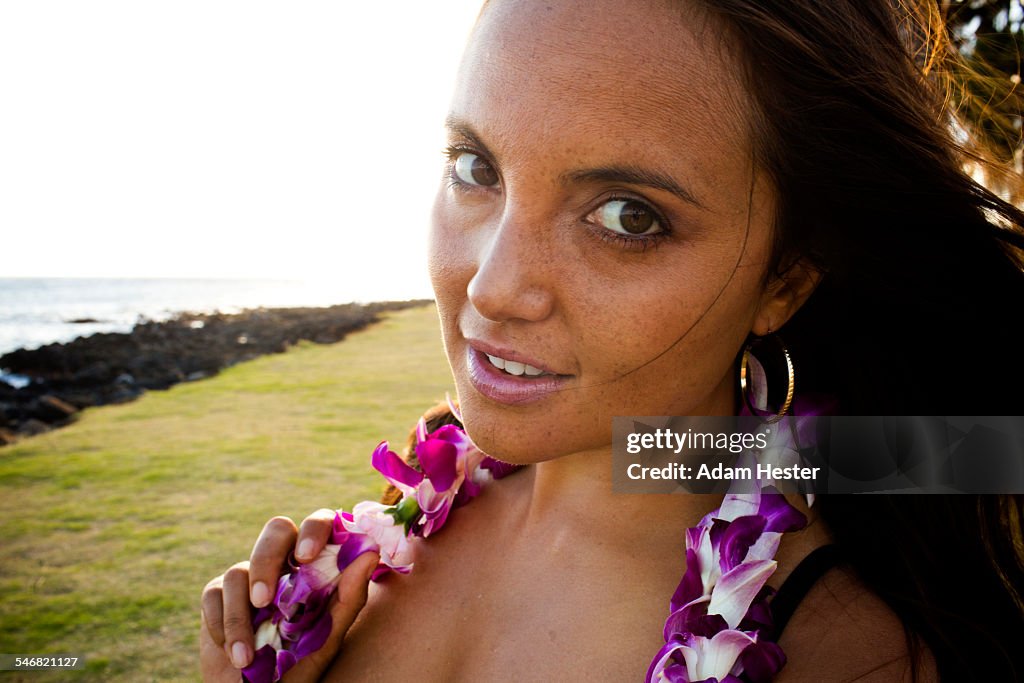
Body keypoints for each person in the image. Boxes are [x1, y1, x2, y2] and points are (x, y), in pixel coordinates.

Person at [200, 0, 1024, 680]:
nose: (491, 286)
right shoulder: (375, 554)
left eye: (628, 216)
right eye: (475, 167)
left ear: (787, 278)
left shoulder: (844, 657)